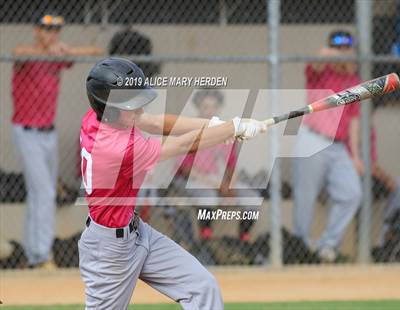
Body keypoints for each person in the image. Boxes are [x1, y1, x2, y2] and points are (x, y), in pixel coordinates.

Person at [78, 57, 266, 309]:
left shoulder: (98, 117)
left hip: (137, 232)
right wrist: (232, 129)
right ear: (109, 106)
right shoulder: (116, 147)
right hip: (110, 251)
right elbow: (181, 145)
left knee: (202, 287)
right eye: (131, 103)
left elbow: (158, 123)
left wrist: (213, 125)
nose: (140, 109)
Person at [11, 13, 103, 269]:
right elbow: (17, 52)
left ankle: (32, 253)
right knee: (44, 192)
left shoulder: (58, 56)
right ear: (36, 31)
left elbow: (96, 51)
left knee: (37, 194)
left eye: (55, 30)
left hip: (48, 134)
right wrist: (49, 51)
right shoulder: (28, 54)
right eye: (46, 29)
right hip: (26, 133)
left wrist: (66, 50)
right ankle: (41, 256)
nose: (51, 34)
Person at [292, 30, 362, 262]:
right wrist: (341, 54)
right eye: (338, 48)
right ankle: (300, 247)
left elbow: (353, 121)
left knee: (352, 193)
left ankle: (327, 246)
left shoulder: (354, 81)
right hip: (313, 139)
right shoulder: (321, 72)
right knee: (306, 197)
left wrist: (356, 156)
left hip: (339, 146)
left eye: (347, 49)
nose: (343, 53)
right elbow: (320, 56)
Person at [173, 90, 259, 243]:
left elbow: (231, 165)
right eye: (205, 107)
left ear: (219, 108)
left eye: (213, 107)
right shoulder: (189, 129)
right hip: (192, 179)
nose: (209, 111)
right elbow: (186, 170)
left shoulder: (224, 131)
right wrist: (218, 185)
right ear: (198, 107)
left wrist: (229, 184)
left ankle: (243, 239)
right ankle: (206, 239)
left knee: (253, 199)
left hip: (217, 180)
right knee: (209, 197)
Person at [348, 106, 400, 246]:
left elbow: (372, 164)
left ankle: (384, 240)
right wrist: (384, 177)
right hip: (350, 177)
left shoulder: (369, 130)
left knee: (399, 187)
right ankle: (362, 244)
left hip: (367, 176)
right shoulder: (349, 128)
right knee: (363, 190)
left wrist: (387, 179)